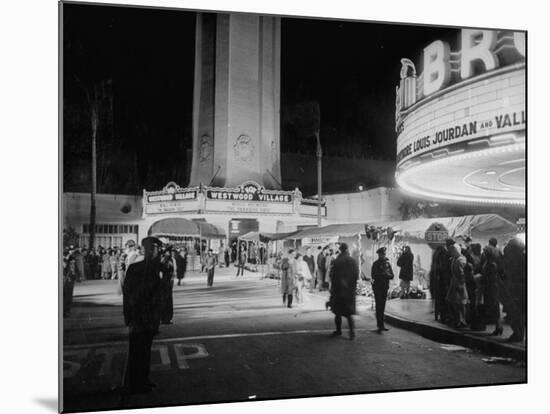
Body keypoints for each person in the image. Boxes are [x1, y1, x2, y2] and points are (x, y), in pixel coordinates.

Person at [122, 237, 163, 394]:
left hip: (151, 318)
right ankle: (133, 384)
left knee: (145, 351)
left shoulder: (157, 268)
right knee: (136, 352)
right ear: (148, 250)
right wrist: (129, 317)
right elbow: (127, 294)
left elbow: (162, 295)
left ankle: (143, 380)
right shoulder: (135, 268)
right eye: (154, 249)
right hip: (138, 317)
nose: (156, 252)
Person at [327, 243, 358, 340]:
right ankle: (352, 332)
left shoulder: (337, 261)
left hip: (338, 291)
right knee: (349, 314)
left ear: (340, 249)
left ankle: (338, 330)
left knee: (338, 312)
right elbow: (356, 275)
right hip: (349, 291)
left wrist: (332, 292)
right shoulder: (353, 261)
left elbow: (333, 276)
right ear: (347, 249)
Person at [501, 237, 526, 342]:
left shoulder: (514, 257)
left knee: (515, 313)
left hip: (515, 290)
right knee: (519, 314)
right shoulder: (521, 257)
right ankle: (518, 334)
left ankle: (518, 334)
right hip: (519, 289)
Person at [371, 247, 394, 332]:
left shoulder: (388, 264)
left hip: (384, 287)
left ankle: (382, 325)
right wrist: (384, 275)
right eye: (382, 254)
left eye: (384, 254)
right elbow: (374, 275)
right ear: (379, 254)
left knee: (382, 306)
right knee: (378, 306)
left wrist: (385, 275)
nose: (383, 255)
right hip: (378, 287)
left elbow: (392, 276)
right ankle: (379, 325)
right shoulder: (376, 264)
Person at [446, 243, 469, 328]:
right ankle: (458, 319)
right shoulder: (455, 259)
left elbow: (462, 273)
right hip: (455, 282)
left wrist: (461, 282)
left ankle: (462, 320)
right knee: (455, 302)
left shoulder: (460, 260)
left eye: (453, 251)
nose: (451, 253)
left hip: (459, 283)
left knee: (461, 303)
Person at [159, 248, 175, 325]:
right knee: (165, 301)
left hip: (167, 283)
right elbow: (161, 273)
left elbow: (172, 273)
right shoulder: (163, 261)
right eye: (168, 252)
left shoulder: (169, 261)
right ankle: (164, 318)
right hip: (164, 283)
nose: (169, 254)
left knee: (167, 301)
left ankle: (167, 318)